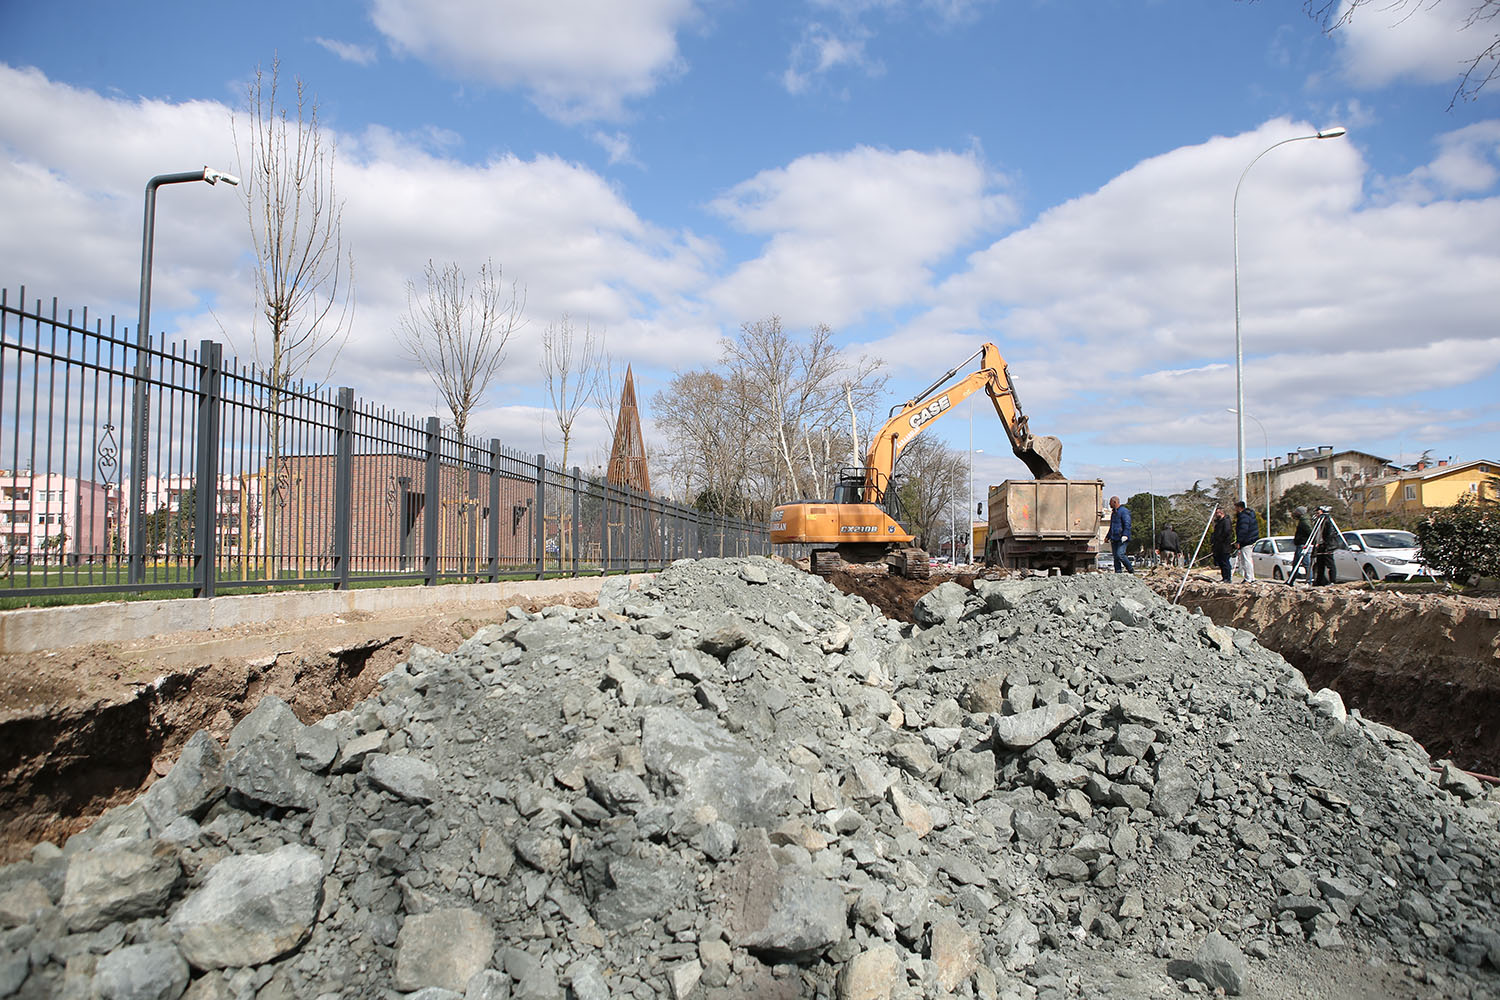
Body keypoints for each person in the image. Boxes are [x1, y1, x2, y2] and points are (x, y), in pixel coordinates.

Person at [1313, 510, 1343, 586]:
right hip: (1320, 545)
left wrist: (1326, 543)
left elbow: (1330, 533)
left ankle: (1332, 581)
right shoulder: (1319, 522)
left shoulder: (1327, 522)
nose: (1317, 514)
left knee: (1330, 564)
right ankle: (1319, 581)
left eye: (1319, 512)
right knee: (1320, 565)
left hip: (1327, 546)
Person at [1234, 499, 1259, 583]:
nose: (1235, 510)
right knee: (1247, 559)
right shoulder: (1250, 515)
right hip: (1251, 539)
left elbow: (1243, 530)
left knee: (1246, 559)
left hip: (1247, 540)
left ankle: (1249, 578)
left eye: (1236, 508)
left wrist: (1239, 541)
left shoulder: (1243, 516)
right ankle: (1250, 577)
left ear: (1239, 507)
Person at [1107, 495, 1132, 573]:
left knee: (1120, 554)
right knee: (1116, 557)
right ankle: (1118, 572)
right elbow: (1112, 526)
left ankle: (1130, 569)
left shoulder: (1124, 511)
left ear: (1115, 502)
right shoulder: (1114, 513)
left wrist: (1125, 535)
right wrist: (1108, 536)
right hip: (1114, 538)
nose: (1109, 505)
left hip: (1122, 537)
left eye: (1110, 503)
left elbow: (1127, 523)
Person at [1210, 507, 1235, 582]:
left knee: (1225, 562)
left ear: (1221, 513)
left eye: (1217, 513)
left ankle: (1228, 578)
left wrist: (1220, 539)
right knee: (1220, 562)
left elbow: (1227, 532)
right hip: (1218, 546)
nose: (1216, 515)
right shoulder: (1219, 522)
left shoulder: (1226, 521)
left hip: (1224, 545)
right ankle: (1224, 577)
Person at [1293, 506, 1314, 583]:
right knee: (1296, 563)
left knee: (1306, 564)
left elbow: (1310, 532)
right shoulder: (1303, 520)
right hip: (1300, 544)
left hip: (1303, 545)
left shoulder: (1304, 522)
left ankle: (1309, 581)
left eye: (1297, 512)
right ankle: (1291, 580)